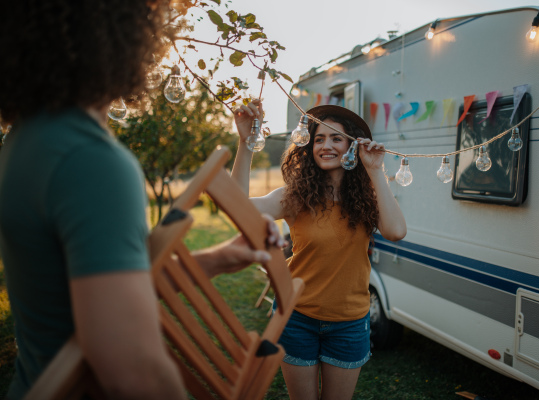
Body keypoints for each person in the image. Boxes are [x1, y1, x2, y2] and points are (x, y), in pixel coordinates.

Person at [0, 2, 285, 399]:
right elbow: (134, 373)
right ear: (123, 35)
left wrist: (220, 257)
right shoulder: (89, 160)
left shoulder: (28, 140)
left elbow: (101, 291)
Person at [232, 101, 407, 400]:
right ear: (309, 147)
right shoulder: (295, 196)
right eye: (319, 139)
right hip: (296, 317)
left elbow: (395, 231)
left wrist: (375, 169)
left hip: (349, 323)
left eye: (336, 138)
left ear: (352, 146)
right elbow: (237, 208)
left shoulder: (367, 199)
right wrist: (245, 142)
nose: (326, 146)